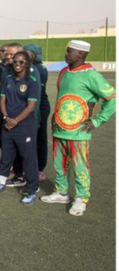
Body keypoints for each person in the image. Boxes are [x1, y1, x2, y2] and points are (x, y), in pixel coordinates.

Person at [41, 40, 116, 216]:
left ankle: (81, 198)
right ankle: (61, 192)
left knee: (80, 165)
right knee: (60, 164)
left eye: (69, 51)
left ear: (80, 55)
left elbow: (112, 98)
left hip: (79, 133)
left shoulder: (91, 75)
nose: (66, 54)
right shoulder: (64, 72)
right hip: (59, 129)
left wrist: (97, 121)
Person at [0, 51, 39, 205]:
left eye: (21, 62)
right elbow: (2, 100)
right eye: (15, 62)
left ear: (27, 64)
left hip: (24, 126)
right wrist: (6, 118)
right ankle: (1, 182)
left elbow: (31, 107)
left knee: (28, 158)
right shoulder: (8, 79)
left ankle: (32, 189)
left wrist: (15, 120)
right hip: (8, 124)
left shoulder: (32, 81)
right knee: (6, 156)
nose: (17, 65)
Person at [24, 43, 51, 181]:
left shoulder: (40, 70)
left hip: (40, 107)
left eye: (28, 53)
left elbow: (37, 94)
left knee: (40, 137)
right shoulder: (26, 68)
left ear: (35, 55)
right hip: (30, 105)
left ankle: (40, 168)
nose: (26, 55)